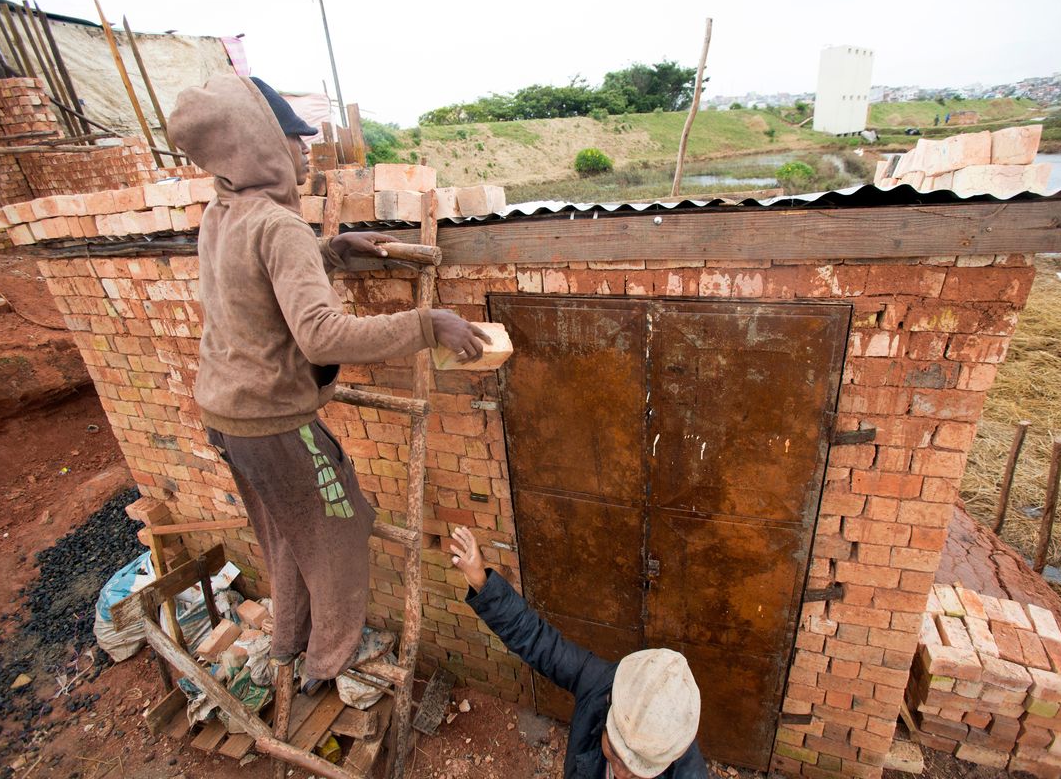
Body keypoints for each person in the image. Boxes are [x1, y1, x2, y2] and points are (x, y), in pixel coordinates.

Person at [168, 75, 490, 691]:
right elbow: (320, 335)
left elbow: (256, 276)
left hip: (227, 416)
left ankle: (289, 640)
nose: (305, 149)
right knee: (341, 531)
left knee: (286, 535)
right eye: (293, 137)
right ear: (258, 145)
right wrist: (429, 323)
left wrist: (332, 251)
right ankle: (329, 660)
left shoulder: (222, 211)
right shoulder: (277, 226)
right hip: (274, 424)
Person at [449, 526, 707, 779]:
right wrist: (482, 582)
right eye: (616, 753)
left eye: (639, 769)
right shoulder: (599, 685)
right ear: (610, 709)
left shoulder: (683, 760)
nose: (620, 772)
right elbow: (539, 641)